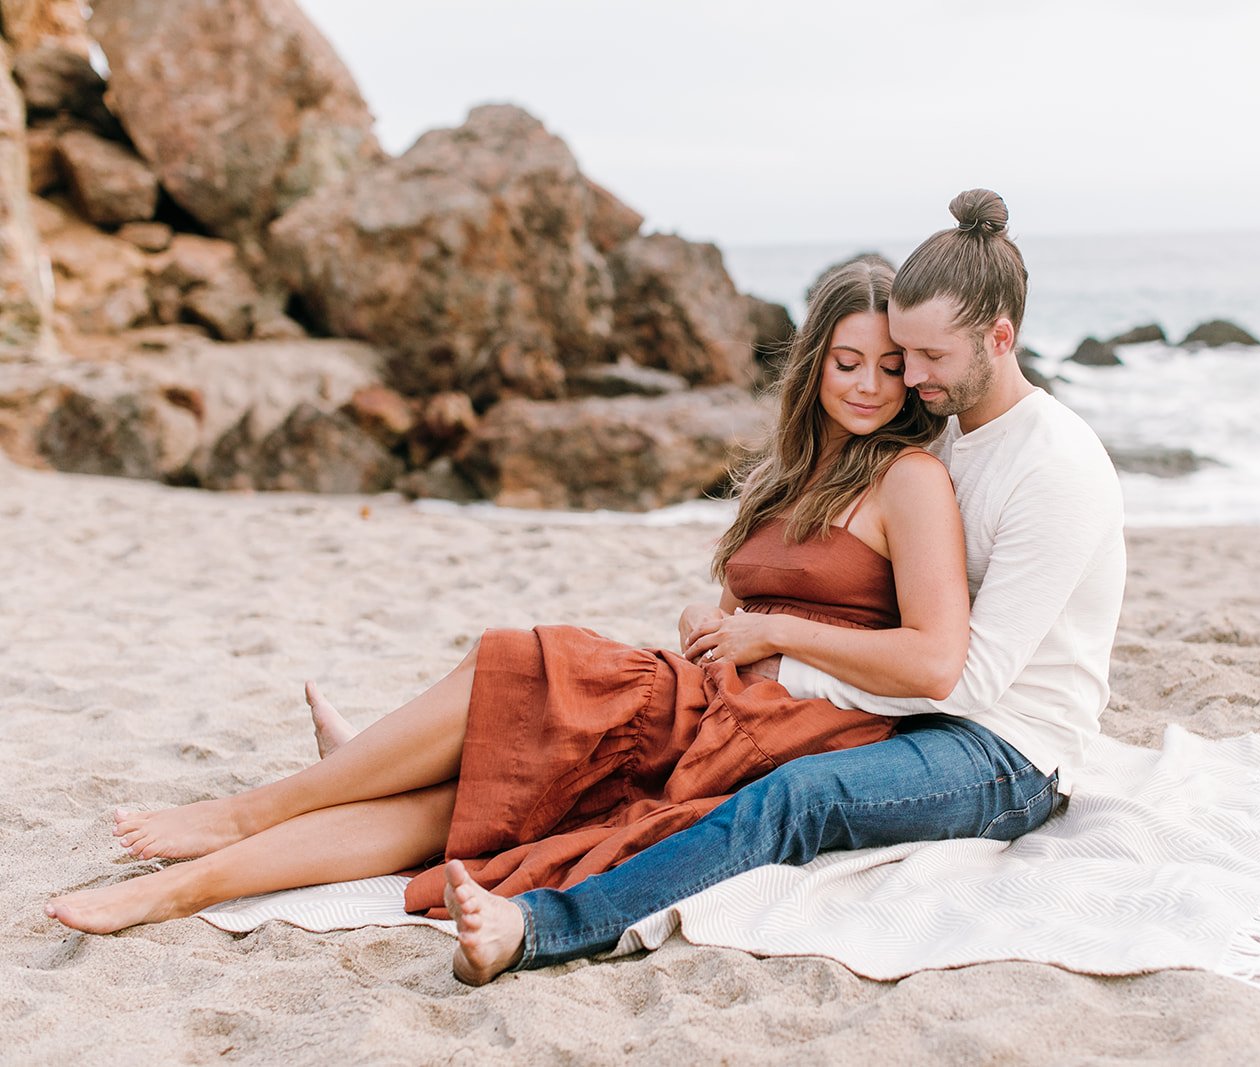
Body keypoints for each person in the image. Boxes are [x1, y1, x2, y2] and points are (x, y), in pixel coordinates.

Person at [43, 258, 974, 968]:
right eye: (847, 362)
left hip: (788, 731)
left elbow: (933, 658)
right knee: (448, 806)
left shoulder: (911, 478)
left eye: (890, 368)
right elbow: (741, 599)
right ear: (814, 362)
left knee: (526, 660)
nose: (866, 385)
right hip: (706, 694)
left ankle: (248, 814)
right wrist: (717, 613)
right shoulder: (791, 474)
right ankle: (182, 888)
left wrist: (770, 632)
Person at [440, 188, 1127, 984]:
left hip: (1008, 751)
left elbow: (966, 678)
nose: (910, 378)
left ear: (1000, 337)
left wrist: (784, 658)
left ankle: (540, 927)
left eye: (929, 358)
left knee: (798, 795)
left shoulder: (1056, 467)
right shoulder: (951, 431)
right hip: (917, 715)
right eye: (905, 355)